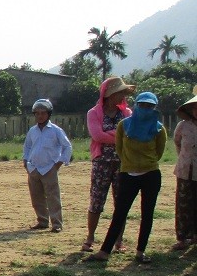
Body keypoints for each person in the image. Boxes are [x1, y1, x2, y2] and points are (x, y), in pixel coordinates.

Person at [87, 91, 168, 264]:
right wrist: (129, 165)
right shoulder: (124, 126)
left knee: (147, 213)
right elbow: (120, 148)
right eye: (142, 105)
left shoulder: (159, 129)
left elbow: (159, 152)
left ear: (155, 108)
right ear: (136, 105)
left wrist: (146, 164)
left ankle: (140, 252)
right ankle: (104, 251)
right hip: (128, 174)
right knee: (120, 213)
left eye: (150, 106)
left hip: (151, 174)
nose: (145, 109)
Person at [82, 77, 135, 252]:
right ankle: (90, 238)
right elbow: (97, 136)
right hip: (101, 162)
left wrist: (110, 134)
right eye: (120, 92)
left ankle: (118, 241)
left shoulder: (127, 113)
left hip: (123, 162)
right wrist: (119, 135)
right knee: (96, 200)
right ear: (110, 95)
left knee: (121, 202)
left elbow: (131, 135)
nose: (122, 96)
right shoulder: (94, 113)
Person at [22, 98, 73, 232]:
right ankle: (42, 221)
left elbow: (67, 146)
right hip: (33, 168)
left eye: (43, 113)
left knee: (53, 197)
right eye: (37, 113)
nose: (40, 116)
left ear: (48, 114)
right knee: (36, 197)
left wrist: (59, 163)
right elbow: (27, 147)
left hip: (49, 168)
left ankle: (57, 224)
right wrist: (25, 161)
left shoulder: (55, 130)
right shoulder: (32, 131)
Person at [170, 85, 197, 251]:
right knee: (183, 203)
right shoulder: (183, 126)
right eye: (195, 108)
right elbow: (177, 143)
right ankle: (182, 237)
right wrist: (184, 158)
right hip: (184, 169)